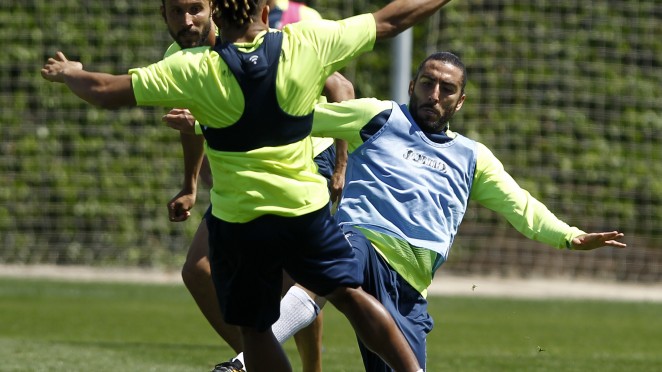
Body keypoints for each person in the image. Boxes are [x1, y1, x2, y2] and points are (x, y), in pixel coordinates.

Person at [40, 0, 456, 371]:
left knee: (255, 331)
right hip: (302, 211)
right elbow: (390, 20)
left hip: (240, 222)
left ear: (216, 17)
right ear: (263, 13)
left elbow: (105, 91)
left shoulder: (193, 68)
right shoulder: (303, 44)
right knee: (348, 294)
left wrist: (71, 73)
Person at [304, 51, 626, 370]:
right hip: (362, 242)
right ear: (411, 86)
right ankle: (255, 352)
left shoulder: (473, 158)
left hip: (408, 289)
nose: (434, 95)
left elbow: (522, 206)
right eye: (427, 84)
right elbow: (301, 122)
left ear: (460, 101)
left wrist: (571, 237)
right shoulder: (379, 117)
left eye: (447, 89)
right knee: (329, 260)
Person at [158, 1, 351, 370]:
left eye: (195, 8)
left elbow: (341, 87)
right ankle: (258, 359)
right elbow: (194, 125)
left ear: (214, 9)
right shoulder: (177, 57)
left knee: (297, 283)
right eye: (175, 11)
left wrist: (340, 164)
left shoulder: (268, 39)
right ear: (162, 15)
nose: (186, 20)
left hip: (306, 162)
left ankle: (288, 365)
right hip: (245, 174)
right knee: (198, 269)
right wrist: (190, 184)